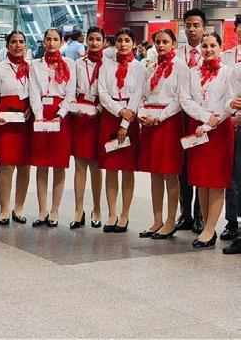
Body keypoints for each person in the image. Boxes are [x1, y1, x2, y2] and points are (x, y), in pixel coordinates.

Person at [179, 32, 233, 248]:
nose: (208, 49)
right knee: (201, 179)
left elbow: (229, 101)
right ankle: (206, 228)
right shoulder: (192, 72)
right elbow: (185, 99)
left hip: (219, 129)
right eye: (205, 46)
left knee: (216, 181)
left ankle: (210, 229)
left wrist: (211, 122)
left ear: (221, 47)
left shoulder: (228, 72)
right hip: (197, 128)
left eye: (213, 45)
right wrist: (203, 118)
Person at [136, 29, 184, 239]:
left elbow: (179, 98)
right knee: (154, 173)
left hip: (169, 122)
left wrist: (160, 117)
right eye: (158, 42)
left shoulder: (180, 66)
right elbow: (143, 95)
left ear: (174, 43)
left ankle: (171, 221)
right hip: (149, 122)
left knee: (169, 172)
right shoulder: (151, 67)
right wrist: (141, 113)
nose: (161, 45)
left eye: (165, 41)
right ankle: (157, 219)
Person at [97, 28, 146, 233]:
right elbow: (102, 93)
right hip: (110, 116)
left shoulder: (139, 68)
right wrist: (118, 111)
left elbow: (137, 95)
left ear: (133, 43)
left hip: (130, 117)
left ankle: (125, 214)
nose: (123, 44)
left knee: (127, 168)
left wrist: (125, 123)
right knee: (110, 167)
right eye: (119, 40)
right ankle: (112, 213)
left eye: (127, 40)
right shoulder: (106, 66)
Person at [28, 28, 76, 227]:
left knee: (58, 164)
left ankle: (55, 210)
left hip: (61, 115)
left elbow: (71, 93)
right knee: (41, 164)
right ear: (43, 42)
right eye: (48, 39)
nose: (51, 43)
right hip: (41, 113)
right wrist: (39, 117)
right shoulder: (35, 65)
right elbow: (33, 92)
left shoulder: (70, 64)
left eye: (56, 39)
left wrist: (60, 115)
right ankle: (42, 210)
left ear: (62, 42)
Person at [0, 31, 31, 225]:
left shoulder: (32, 68)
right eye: (13, 42)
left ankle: (19, 207)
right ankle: (4, 208)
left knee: (25, 166)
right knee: (6, 165)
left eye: (21, 42)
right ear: (7, 45)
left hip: (26, 122)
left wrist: (32, 107)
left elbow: (36, 93)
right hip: (4, 122)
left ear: (25, 45)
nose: (17, 45)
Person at [70, 27, 105, 229]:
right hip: (80, 116)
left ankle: (97, 208)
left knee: (96, 165)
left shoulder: (108, 64)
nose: (94, 43)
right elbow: (71, 89)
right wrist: (74, 106)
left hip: (99, 115)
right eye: (91, 39)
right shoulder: (78, 63)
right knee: (80, 164)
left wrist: (99, 108)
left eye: (98, 39)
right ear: (86, 41)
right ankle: (78, 209)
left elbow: (108, 90)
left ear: (103, 42)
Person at [176, 8, 206, 234]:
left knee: (201, 164)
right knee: (182, 166)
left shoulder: (210, 52)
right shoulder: (176, 54)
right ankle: (185, 213)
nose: (192, 29)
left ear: (204, 28)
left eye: (196, 25)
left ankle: (200, 215)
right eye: (188, 25)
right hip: (179, 116)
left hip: (202, 116)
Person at [220, 16, 241, 243]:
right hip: (232, 124)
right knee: (233, 175)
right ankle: (231, 222)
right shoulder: (227, 58)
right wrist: (231, 107)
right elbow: (225, 95)